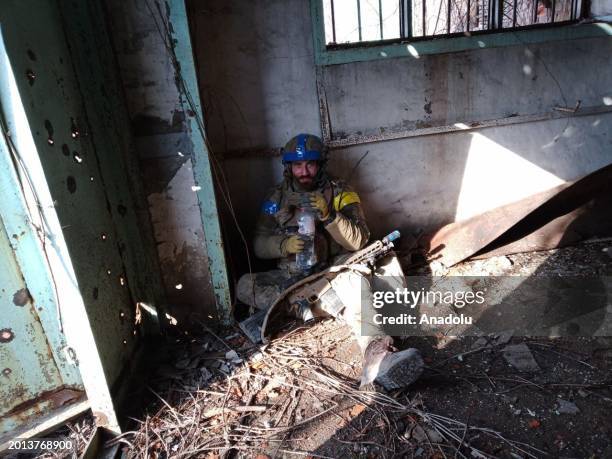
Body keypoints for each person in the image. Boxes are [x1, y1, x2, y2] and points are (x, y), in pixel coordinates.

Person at [237, 133, 423, 390]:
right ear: (289, 167)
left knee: (353, 278)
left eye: (310, 164)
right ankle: (324, 305)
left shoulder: (340, 192)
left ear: (320, 165)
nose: (304, 171)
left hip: (335, 269)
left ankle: (379, 356)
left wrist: (328, 214)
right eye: (298, 165)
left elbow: (358, 241)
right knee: (245, 285)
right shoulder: (275, 199)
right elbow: (258, 244)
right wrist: (282, 246)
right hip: (294, 277)